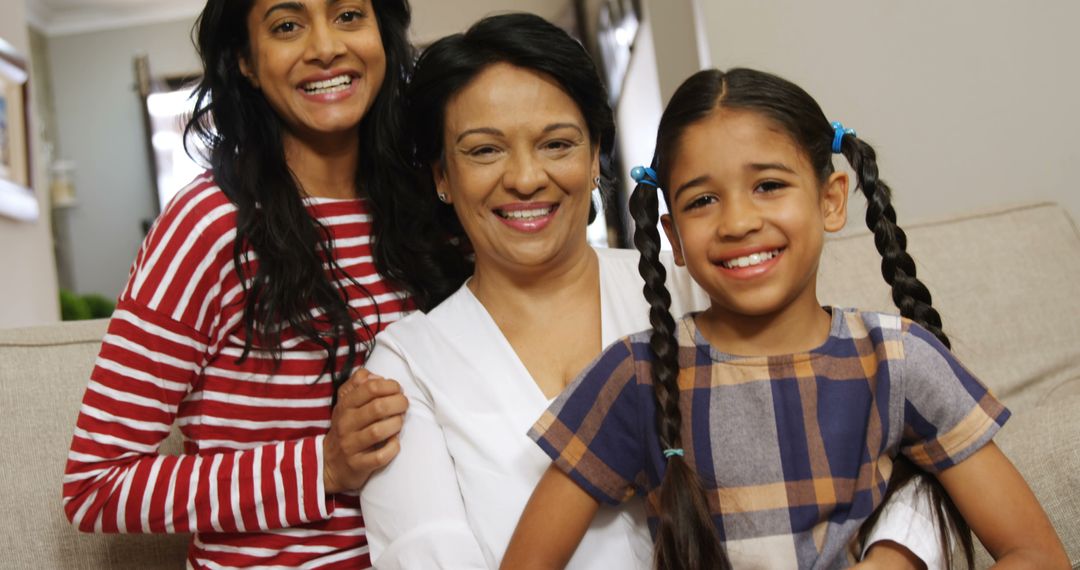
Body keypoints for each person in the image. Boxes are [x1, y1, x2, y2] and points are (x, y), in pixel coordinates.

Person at [360, 15, 943, 570]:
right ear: (442, 175)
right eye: (484, 150)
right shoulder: (408, 367)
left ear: (595, 160)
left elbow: (886, 423)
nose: (525, 177)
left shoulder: (699, 281)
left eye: (557, 144)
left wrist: (897, 552)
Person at [501, 68, 1071, 569]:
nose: (739, 221)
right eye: (702, 201)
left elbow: (1038, 554)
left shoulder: (900, 359)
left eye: (769, 186)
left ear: (831, 199)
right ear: (672, 236)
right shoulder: (639, 373)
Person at [59, 1, 458, 567]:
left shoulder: (431, 206)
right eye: (287, 25)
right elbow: (95, 486)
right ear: (246, 59)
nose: (325, 46)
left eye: (348, 15)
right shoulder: (207, 225)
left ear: (383, 35)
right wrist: (320, 464)